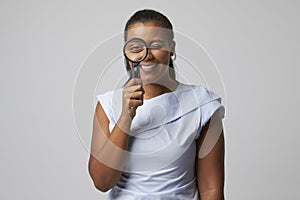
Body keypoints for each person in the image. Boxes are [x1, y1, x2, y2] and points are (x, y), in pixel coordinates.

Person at [88, 9, 225, 200]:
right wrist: (126, 117)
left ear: (171, 48)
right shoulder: (108, 105)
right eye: (136, 48)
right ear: (127, 54)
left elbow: (212, 190)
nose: (146, 56)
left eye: (156, 45)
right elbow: (102, 182)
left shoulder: (203, 105)